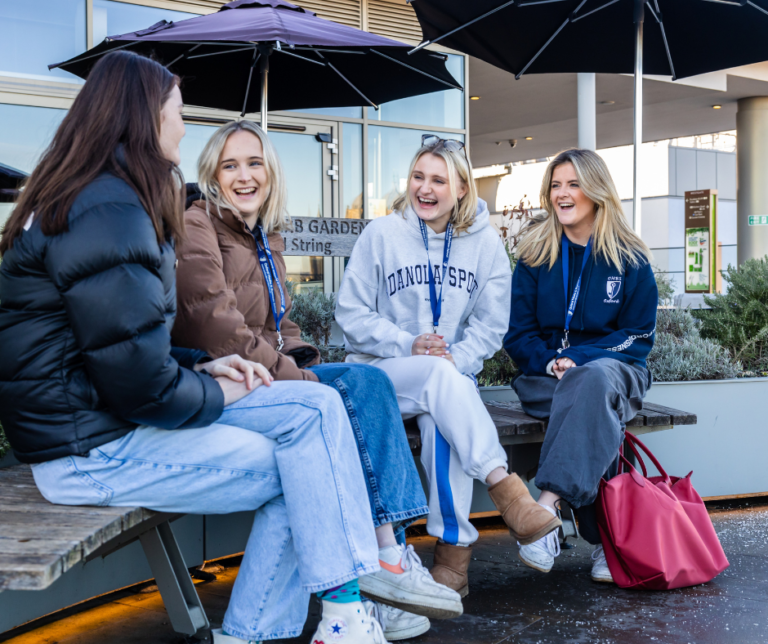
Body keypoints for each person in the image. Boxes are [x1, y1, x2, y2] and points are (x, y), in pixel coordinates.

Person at [0, 50, 451, 644]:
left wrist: (202, 364)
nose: (183, 127)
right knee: (309, 456)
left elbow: (119, 346)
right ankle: (344, 607)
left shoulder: (104, 198)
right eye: (177, 111)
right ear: (144, 117)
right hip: (89, 452)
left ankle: (315, 619)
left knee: (314, 446)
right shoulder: (108, 208)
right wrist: (214, 387)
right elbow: (135, 379)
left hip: (99, 425)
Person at [171, 119, 460, 640]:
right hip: (233, 378)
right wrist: (300, 375)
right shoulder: (199, 223)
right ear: (213, 174)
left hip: (271, 370)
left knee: (367, 383)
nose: (244, 176)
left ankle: (388, 553)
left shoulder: (263, 234)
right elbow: (213, 324)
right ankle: (381, 564)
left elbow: (281, 324)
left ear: (271, 171)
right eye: (230, 165)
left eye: (254, 163)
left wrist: (304, 357)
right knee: (338, 395)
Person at [334, 136, 562, 598]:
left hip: (448, 382)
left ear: (461, 188)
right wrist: (407, 343)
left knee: (445, 424)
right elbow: (351, 315)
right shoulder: (381, 235)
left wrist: (455, 358)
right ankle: (507, 493)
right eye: (419, 177)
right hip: (380, 375)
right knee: (443, 381)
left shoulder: (485, 245)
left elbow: (491, 323)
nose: (425, 188)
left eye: (439, 179)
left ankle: (452, 563)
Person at [504, 148, 658, 584]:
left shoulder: (629, 258)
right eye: (556, 185)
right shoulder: (535, 255)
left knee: (591, 384)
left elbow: (638, 336)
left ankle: (546, 505)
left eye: (573, 184)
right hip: (546, 377)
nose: (563, 194)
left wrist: (582, 359)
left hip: (616, 368)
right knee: (592, 406)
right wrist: (554, 362)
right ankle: (607, 541)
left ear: (596, 191)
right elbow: (518, 336)